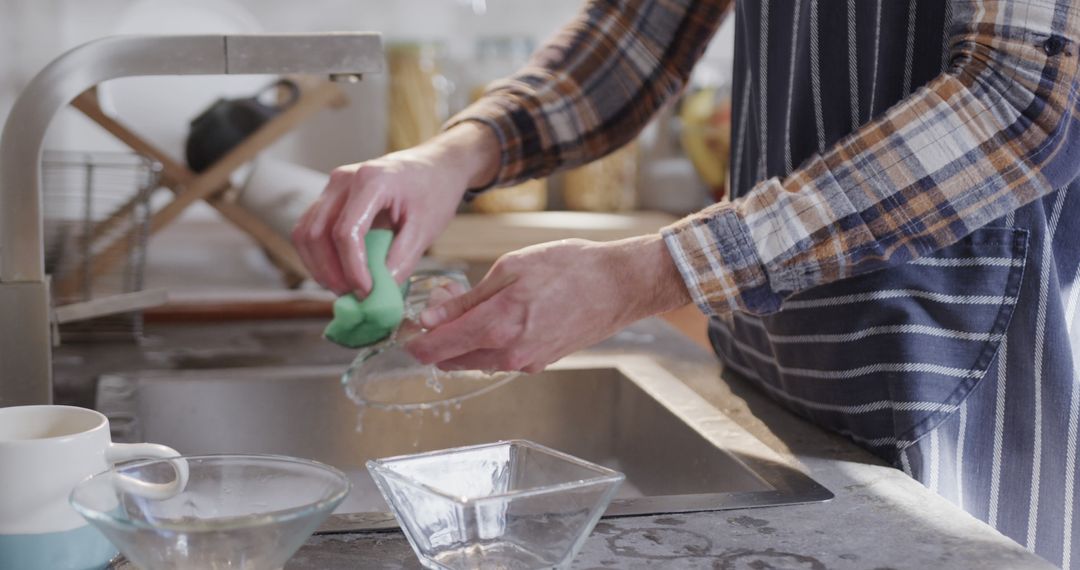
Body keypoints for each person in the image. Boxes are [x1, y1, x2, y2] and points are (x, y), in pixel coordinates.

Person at [294, 0, 1080, 564]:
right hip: (771, 360)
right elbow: (639, 33)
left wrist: (647, 273)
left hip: (954, 368)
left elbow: (1025, 98)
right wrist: (459, 153)